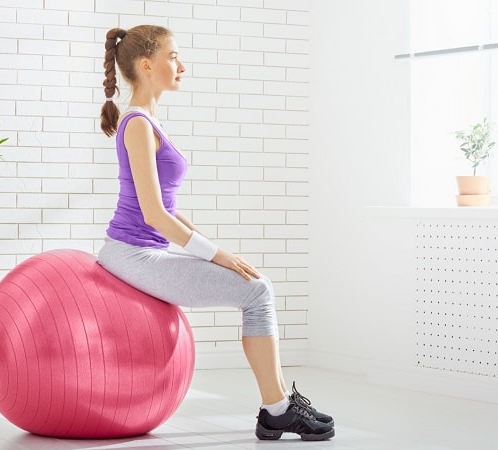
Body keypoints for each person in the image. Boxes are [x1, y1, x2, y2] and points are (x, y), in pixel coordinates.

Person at [96, 25, 335, 442]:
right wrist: (214, 254)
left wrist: (215, 249)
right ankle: (276, 409)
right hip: (132, 254)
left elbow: (167, 210)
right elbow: (153, 215)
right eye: (174, 57)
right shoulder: (137, 124)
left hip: (140, 251)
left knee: (258, 285)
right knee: (257, 292)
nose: (182, 65)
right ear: (147, 65)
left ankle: (279, 403)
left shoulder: (147, 120)